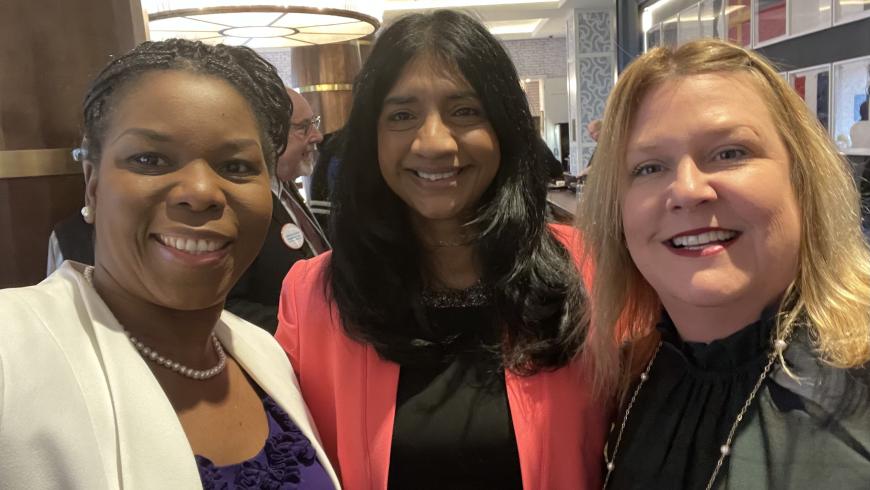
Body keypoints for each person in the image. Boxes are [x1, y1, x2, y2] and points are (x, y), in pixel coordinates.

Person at [275, 10, 607, 490]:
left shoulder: (592, 272)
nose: (433, 142)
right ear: (372, 136)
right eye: (402, 115)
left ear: (505, 127)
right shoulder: (313, 298)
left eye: (465, 111)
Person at [0, 39, 340, 489]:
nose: (201, 191)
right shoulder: (12, 350)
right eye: (150, 159)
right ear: (94, 184)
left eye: (236, 166)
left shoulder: (264, 356)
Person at [577, 39, 870, 489]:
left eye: (730, 153)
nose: (688, 189)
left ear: (802, 176)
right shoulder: (619, 382)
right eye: (649, 168)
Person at [226, 87, 329, 333]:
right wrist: (313, 326)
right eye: (303, 127)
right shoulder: (238, 205)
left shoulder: (285, 186)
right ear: (267, 136)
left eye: (314, 123)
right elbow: (227, 309)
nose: (317, 136)